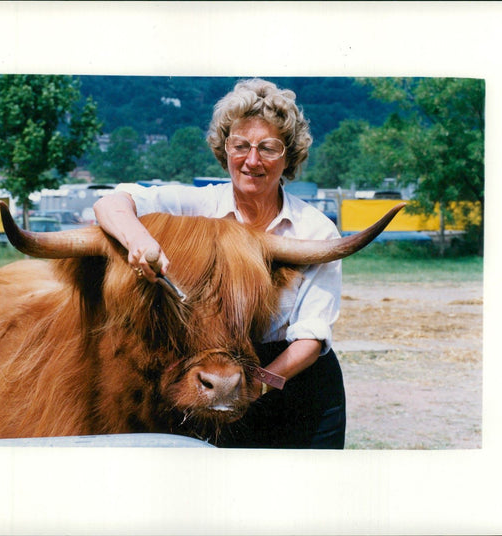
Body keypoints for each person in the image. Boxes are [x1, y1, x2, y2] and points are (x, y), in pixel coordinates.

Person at [93, 78, 345, 449]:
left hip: (294, 385)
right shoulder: (199, 205)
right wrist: (139, 238)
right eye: (239, 145)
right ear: (224, 149)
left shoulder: (315, 230)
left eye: (269, 148)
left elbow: (310, 337)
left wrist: (259, 382)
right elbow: (113, 202)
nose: (252, 160)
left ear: (289, 156)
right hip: (213, 371)